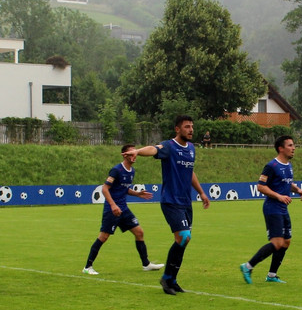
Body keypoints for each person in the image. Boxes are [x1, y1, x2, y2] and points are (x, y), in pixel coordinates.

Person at [127, 115, 210, 295]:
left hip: (186, 202)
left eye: (192, 126)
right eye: (187, 126)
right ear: (177, 129)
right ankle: (166, 278)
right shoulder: (170, 146)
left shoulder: (192, 148)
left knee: (183, 240)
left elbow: (190, 172)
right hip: (171, 201)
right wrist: (138, 151)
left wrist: (201, 192)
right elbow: (154, 149)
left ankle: (172, 279)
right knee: (184, 236)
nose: (191, 130)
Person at [82, 144, 163, 275]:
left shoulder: (132, 171)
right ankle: (87, 267)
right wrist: (113, 205)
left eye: (135, 153)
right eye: (131, 154)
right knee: (104, 237)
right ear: (125, 155)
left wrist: (137, 194)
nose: (134, 156)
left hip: (123, 209)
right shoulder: (116, 170)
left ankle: (146, 264)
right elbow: (105, 189)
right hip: (112, 209)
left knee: (139, 232)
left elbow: (123, 189)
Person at [240, 135, 302, 284]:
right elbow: (260, 186)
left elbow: (287, 184)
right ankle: (247, 266)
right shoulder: (271, 166)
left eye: (293, 145)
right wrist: (278, 196)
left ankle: (271, 275)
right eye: (290, 145)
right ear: (280, 148)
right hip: (272, 208)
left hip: (283, 208)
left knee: (286, 242)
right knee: (277, 242)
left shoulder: (288, 165)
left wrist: (298, 190)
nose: (293, 148)